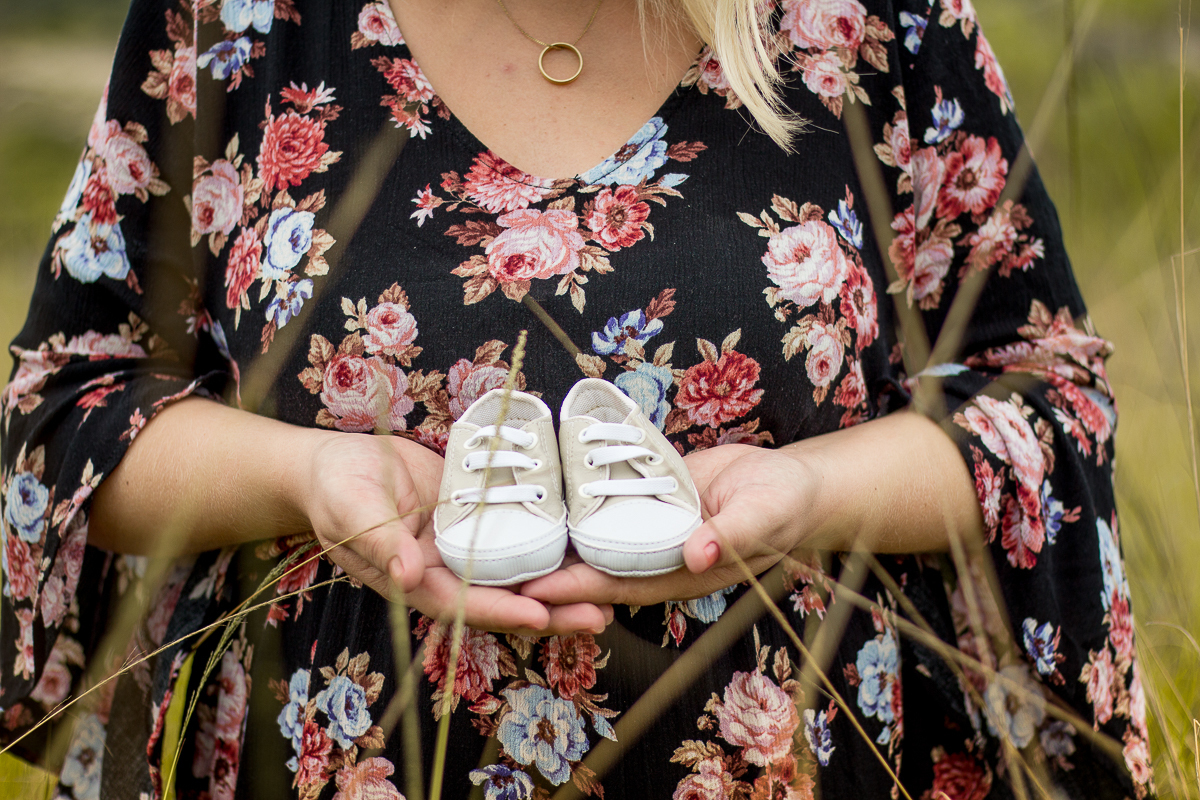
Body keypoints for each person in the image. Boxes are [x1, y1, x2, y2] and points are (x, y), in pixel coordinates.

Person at [0, 0, 1151, 798]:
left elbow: (1043, 399)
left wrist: (810, 493)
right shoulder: (234, 21)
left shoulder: (867, 25)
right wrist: (303, 476)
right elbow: (69, 408)